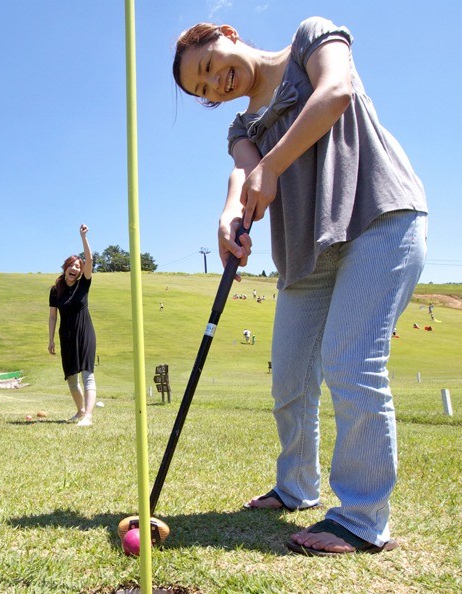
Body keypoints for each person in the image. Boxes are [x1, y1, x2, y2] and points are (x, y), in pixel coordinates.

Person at [173, 17, 428, 556]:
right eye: (202, 88)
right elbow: (243, 174)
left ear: (225, 34)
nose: (215, 81)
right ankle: (296, 487)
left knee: (350, 361)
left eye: (208, 64)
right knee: (289, 378)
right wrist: (226, 215)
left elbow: (336, 92)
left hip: (377, 217)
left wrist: (274, 163)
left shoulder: (311, 38)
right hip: (308, 253)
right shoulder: (241, 130)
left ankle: (362, 518)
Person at [48, 224, 98, 426]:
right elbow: (53, 316)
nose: (75, 269)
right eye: (72, 266)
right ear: (65, 267)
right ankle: (80, 411)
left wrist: (83, 237)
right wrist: (50, 339)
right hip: (66, 335)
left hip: (85, 333)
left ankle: (88, 416)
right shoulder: (55, 289)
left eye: (78, 267)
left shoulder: (83, 284)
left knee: (87, 374)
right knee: (71, 378)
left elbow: (90, 260)